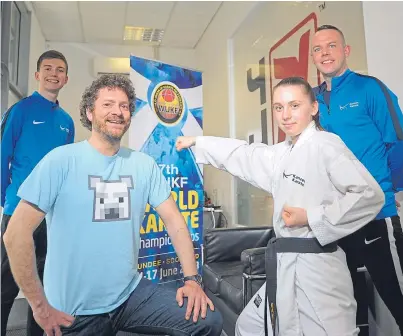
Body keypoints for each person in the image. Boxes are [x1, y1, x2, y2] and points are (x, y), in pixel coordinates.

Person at [3, 74, 223, 336]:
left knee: (207, 320)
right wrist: (40, 307)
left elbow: (175, 222)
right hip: (73, 312)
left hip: (129, 296)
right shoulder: (60, 161)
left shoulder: (142, 165)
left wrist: (192, 280)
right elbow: (15, 235)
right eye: (107, 104)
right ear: (90, 112)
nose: (117, 112)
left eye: (124, 106)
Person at [175, 76, 385, 336]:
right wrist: (199, 142)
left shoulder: (326, 144)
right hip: (284, 263)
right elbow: (245, 155)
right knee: (249, 327)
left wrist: (312, 217)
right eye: (278, 107)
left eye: (294, 105)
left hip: (318, 267)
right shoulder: (283, 152)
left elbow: (369, 195)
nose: (285, 115)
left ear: (314, 108)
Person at [311, 24, 403, 334]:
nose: (325, 53)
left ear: (345, 50)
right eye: (318, 48)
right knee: (347, 305)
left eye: (332, 46)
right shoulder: (311, 101)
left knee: (397, 296)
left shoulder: (369, 88)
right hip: (335, 220)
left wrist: (392, 190)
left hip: (377, 215)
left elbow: (398, 142)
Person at [1, 50, 74, 336]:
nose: (53, 74)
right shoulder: (20, 111)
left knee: (44, 285)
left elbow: (66, 169)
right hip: (18, 211)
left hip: (52, 216)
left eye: (59, 70)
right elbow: (2, 155)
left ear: (66, 79)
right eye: (48, 68)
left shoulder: (67, 121)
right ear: (37, 75)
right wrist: (5, 201)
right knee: (6, 284)